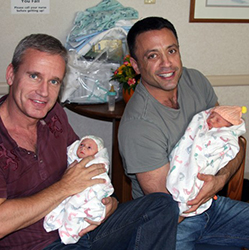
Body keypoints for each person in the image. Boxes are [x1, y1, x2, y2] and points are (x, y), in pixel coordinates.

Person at [0, 33, 179, 250]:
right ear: (11, 74)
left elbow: (87, 165)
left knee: (161, 205)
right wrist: (64, 188)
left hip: (82, 224)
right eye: (34, 76)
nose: (44, 92)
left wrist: (109, 203)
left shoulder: (54, 114)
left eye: (54, 81)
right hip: (40, 244)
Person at [118, 16, 249, 249]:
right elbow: (170, 208)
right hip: (172, 224)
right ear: (136, 65)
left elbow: (233, 140)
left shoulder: (195, 81)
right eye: (152, 55)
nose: (167, 63)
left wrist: (219, 180)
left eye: (171, 51)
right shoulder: (138, 125)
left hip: (213, 205)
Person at [167, 106, 246, 216]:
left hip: (211, 193)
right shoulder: (201, 128)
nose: (211, 120)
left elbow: (229, 149)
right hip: (175, 213)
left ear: (228, 127)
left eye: (217, 120)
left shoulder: (225, 137)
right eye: (211, 116)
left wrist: (220, 179)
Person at [44, 135, 114, 244]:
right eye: (81, 145)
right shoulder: (72, 162)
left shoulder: (98, 164)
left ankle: (76, 224)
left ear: (97, 153)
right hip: (68, 192)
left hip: (90, 192)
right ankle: (70, 226)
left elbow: (102, 182)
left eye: (89, 147)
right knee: (69, 205)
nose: (83, 148)